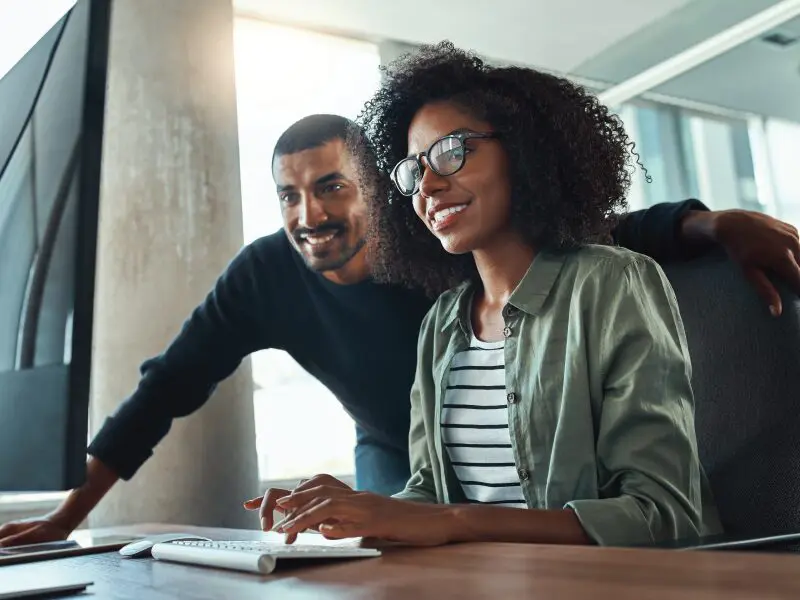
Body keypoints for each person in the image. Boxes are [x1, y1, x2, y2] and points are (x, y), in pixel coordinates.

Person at [0, 102, 796, 546]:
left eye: (333, 187)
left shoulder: (440, 229)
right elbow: (165, 386)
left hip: (540, 445)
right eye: (289, 195)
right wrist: (75, 512)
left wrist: (710, 224)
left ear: (375, 189)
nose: (309, 215)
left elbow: (593, 235)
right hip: (403, 448)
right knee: (379, 553)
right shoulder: (265, 275)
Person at [254, 41, 725, 547]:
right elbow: (430, 498)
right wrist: (354, 510)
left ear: (524, 150)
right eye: (414, 170)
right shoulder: (442, 323)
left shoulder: (612, 284)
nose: (428, 185)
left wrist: (459, 521)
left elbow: (664, 516)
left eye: (452, 151)